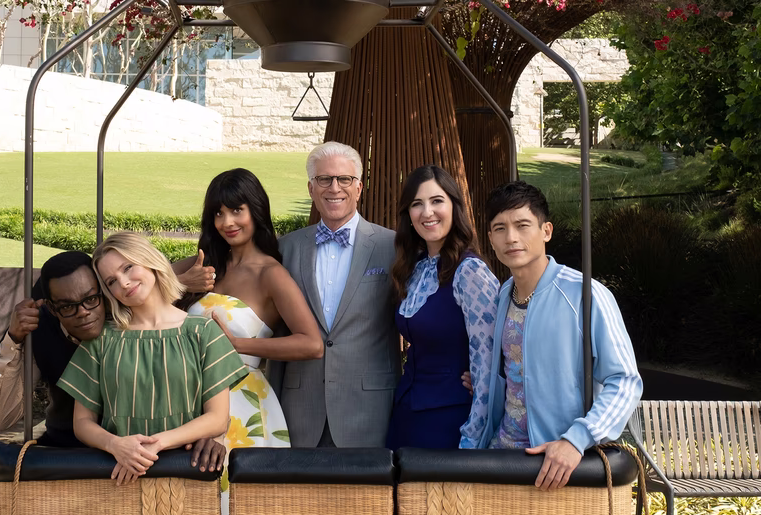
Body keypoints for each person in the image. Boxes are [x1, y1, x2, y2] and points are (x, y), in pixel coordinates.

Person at [0, 251, 225, 468]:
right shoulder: (41, 328)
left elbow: (196, 395)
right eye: (67, 307)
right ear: (52, 309)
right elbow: (1, 419)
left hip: (146, 455)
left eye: (91, 299)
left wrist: (211, 435)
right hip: (66, 453)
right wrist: (13, 339)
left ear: (105, 294)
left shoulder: (130, 319)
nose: (83, 312)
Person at [473, 181, 643, 491]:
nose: (511, 237)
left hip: (557, 463)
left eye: (522, 225)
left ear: (546, 231)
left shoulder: (585, 294)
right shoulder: (504, 294)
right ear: (490, 239)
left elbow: (625, 382)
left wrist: (576, 440)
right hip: (502, 454)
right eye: (500, 228)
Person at [58, 233, 247, 485]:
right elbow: (82, 422)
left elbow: (217, 419)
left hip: (186, 476)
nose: (124, 283)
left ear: (150, 260)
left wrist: (155, 444)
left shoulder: (203, 333)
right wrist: (115, 445)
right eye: (111, 281)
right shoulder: (102, 340)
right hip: (118, 477)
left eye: (128, 267)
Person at [175, 168, 323, 449]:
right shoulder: (202, 264)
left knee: (234, 478)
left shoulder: (270, 274)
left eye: (236, 210)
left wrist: (238, 345)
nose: (227, 222)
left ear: (255, 210)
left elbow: (312, 344)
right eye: (218, 213)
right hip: (186, 401)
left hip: (240, 405)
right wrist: (181, 283)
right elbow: (134, 289)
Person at [268, 141, 401, 448]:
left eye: (344, 179)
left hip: (370, 409)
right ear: (311, 188)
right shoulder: (285, 249)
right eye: (324, 179)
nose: (334, 188)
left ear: (359, 187)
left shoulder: (392, 247)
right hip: (300, 409)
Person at [386, 165, 499, 451]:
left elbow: (487, 359)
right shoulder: (413, 268)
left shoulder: (470, 271)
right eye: (417, 204)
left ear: (454, 206)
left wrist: (473, 437)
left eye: (437, 201)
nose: (427, 212)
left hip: (450, 419)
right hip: (406, 413)